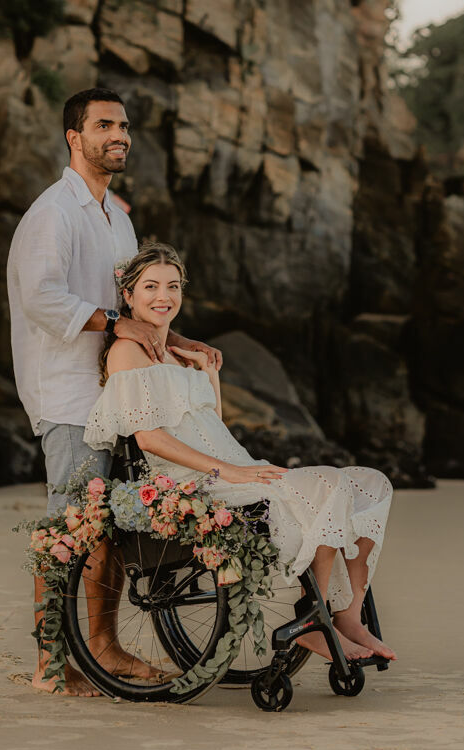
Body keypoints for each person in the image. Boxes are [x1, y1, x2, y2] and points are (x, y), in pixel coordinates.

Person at [84, 242, 397, 664]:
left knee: (373, 483)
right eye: (151, 287)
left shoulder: (180, 353)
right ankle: (315, 621)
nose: (164, 297)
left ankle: (348, 615)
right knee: (331, 484)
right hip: (194, 480)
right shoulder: (127, 352)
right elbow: (150, 439)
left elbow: (212, 425)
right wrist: (229, 472)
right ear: (128, 295)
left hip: (234, 465)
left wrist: (208, 375)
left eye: (173, 286)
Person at [6, 89, 222, 696]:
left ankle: (103, 647)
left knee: (106, 529)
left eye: (123, 125)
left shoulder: (116, 216)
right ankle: (51, 664)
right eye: (104, 125)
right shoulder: (53, 213)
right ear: (74, 138)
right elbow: (42, 298)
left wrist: (178, 340)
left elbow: (135, 301)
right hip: (68, 394)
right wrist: (114, 321)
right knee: (69, 525)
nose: (118, 135)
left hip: (118, 391)